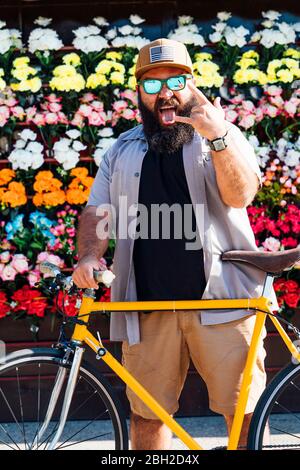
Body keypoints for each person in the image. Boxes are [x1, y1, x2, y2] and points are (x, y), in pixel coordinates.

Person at [73, 38, 273, 450]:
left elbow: (241, 195)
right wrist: (91, 255)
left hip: (224, 303)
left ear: (192, 85)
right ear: (138, 93)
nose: (165, 92)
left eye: (176, 80)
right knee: (147, 417)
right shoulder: (121, 149)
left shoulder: (221, 135)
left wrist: (217, 135)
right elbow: (97, 212)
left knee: (244, 414)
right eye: (152, 85)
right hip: (147, 307)